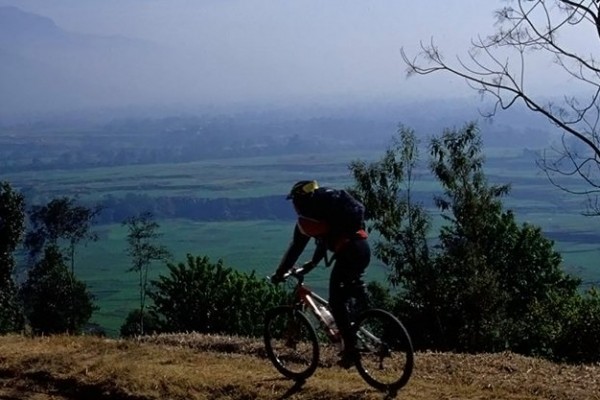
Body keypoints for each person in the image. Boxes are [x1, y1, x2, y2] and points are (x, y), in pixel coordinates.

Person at [270, 179, 371, 368]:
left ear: (299, 201)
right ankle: (359, 316)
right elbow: (324, 241)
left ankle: (351, 351)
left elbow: (295, 249)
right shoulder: (327, 213)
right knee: (349, 290)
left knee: (335, 301)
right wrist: (311, 265)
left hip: (348, 253)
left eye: (294, 202)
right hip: (363, 249)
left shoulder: (307, 220)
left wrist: (279, 273)